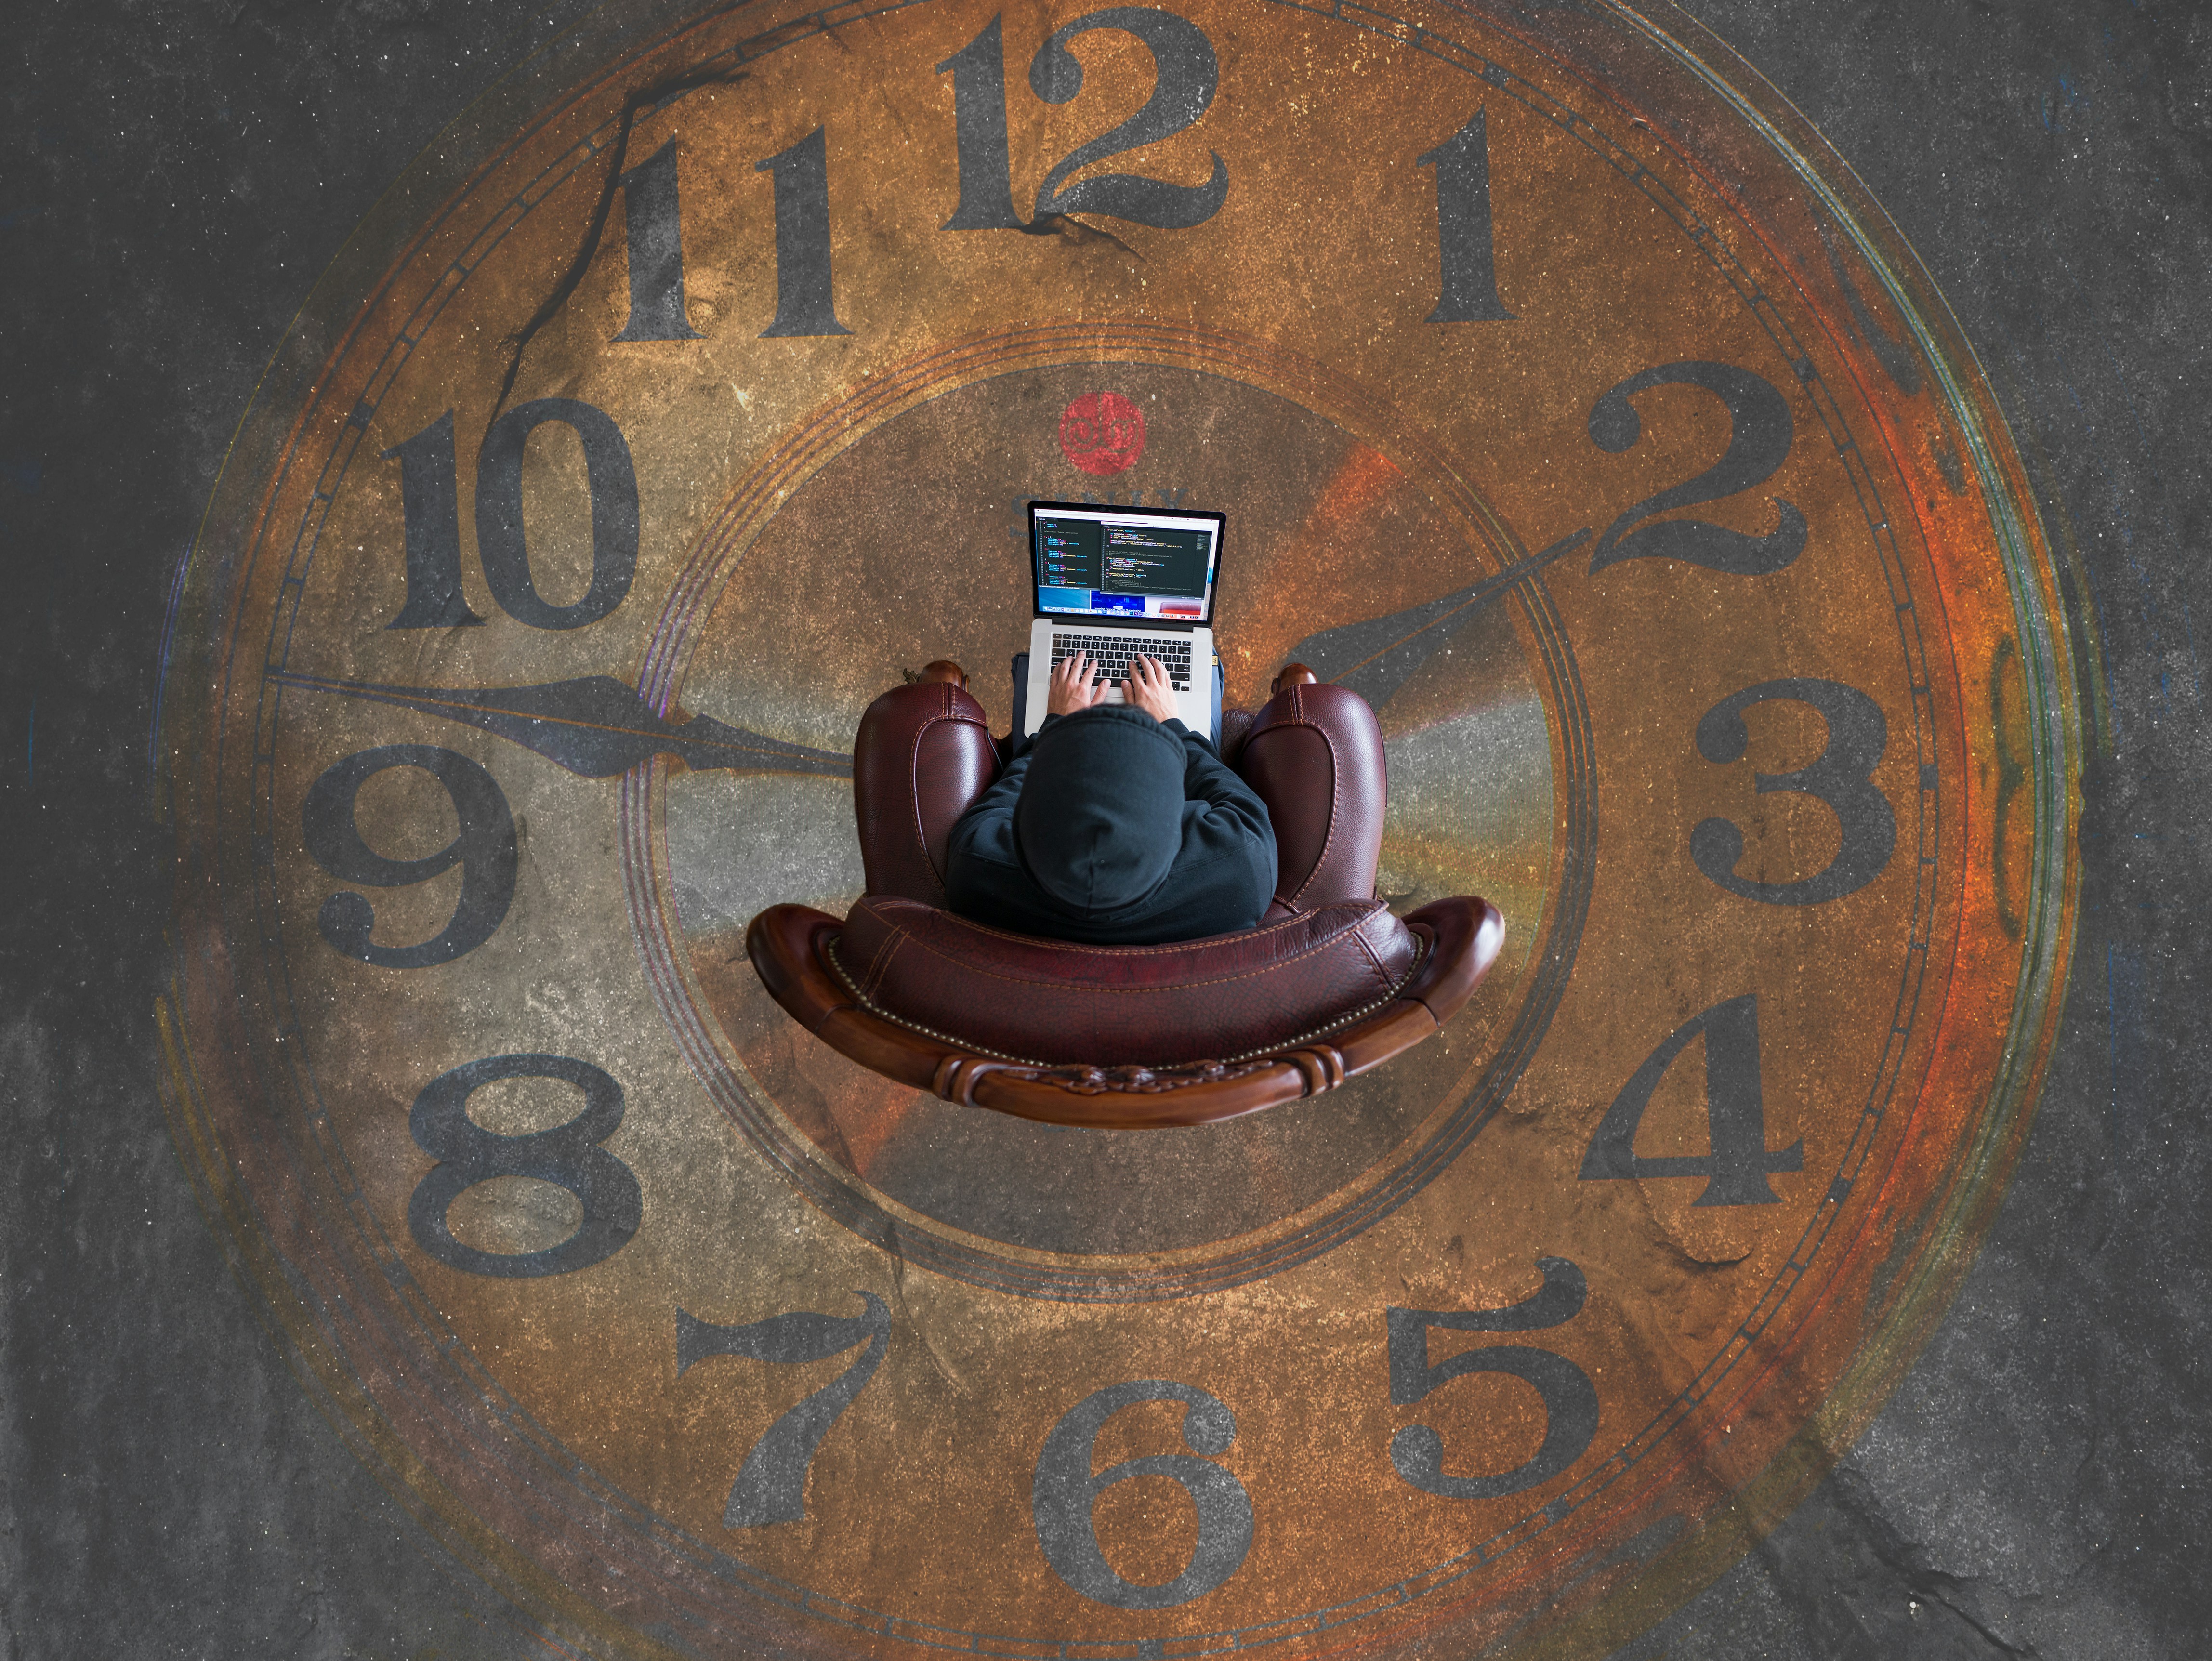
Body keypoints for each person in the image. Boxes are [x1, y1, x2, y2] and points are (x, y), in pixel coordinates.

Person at [942, 651, 1276, 946]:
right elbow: (1231, 794)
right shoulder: (1243, 866)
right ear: (1178, 821)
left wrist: (1056, 724)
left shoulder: (975, 865)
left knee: (1031, 668)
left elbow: (1002, 797)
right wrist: (1171, 725)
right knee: (1210, 663)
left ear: (1023, 823)